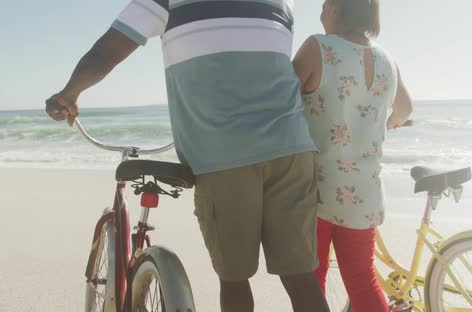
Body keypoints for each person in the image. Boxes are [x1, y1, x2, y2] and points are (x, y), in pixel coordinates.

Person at [45, 1, 330, 311]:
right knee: (301, 277)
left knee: (234, 279)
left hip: (225, 155)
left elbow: (106, 53)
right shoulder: (282, 3)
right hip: (293, 149)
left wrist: (69, 94)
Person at [292, 0, 413, 311]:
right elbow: (405, 110)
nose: (320, 14)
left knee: (311, 277)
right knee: (362, 279)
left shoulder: (318, 47)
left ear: (335, 9)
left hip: (315, 189)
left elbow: (282, 101)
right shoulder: (386, 58)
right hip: (364, 190)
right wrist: (387, 122)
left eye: (323, 6)